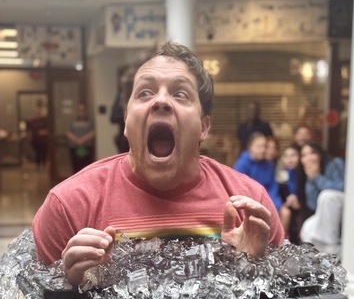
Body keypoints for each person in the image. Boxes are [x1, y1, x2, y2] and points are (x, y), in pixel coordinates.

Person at [33, 42, 283, 283]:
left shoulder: (250, 209)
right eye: (145, 93)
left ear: (203, 127)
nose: (161, 101)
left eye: (180, 94)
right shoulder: (69, 206)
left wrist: (252, 268)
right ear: (126, 120)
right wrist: (71, 287)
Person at [297, 142, 345, 251]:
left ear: (320, 154)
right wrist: (311, 179)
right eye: (304, 155)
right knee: (308, 227)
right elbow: (313, 204)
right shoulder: (306, 173)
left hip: (343, 204)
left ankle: (331, 246)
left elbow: (340, 188)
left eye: (312, 153)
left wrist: (317, 177)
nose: (309, 158)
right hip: (325, 211)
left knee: (327, 196)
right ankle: (318, 256)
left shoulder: (335, 163)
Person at [65, 102, 96, 174]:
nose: (81, 112)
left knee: (87, 169)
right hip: (74, 148)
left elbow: (93, 132)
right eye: (79, 110)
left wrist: (82, 140)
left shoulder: (90, 121)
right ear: (76, 111)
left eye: (82, 110)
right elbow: (68, 133)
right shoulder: (72, 121)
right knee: (76, 169)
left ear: (85, 111)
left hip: (87, 147)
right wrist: (77, 140)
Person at [27, 102, 49, 169]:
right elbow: (29, 130)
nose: (38, 114)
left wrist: (44, 132)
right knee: (37, 153)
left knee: (44, 152)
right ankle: (38, 165)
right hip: (35, 140)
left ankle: (44, 164)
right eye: (37, 113)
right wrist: (30, 138)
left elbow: (49, 129)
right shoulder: (32, 121)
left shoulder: (45, 120)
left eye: (39, 113)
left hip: (43, 140)